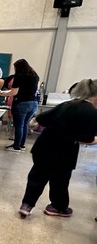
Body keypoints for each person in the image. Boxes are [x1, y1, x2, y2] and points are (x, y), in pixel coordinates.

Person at [18, 78, 97, 218]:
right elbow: (88, 139)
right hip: (65, 150)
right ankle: (58, 207)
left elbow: (40, 120)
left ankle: (26, 205)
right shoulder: (92, 112)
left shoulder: (67, 104)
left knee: (37, 176)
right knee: (60, 180)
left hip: (44, 145)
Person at [0, 59, 39, 152]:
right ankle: (21, 145)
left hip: (22, 103)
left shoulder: (19, 76)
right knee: (25, 124)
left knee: (19, 125)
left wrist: (1, 93)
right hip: (34, 103)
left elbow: (14, 92)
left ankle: (16, 146)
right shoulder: (35, 75)